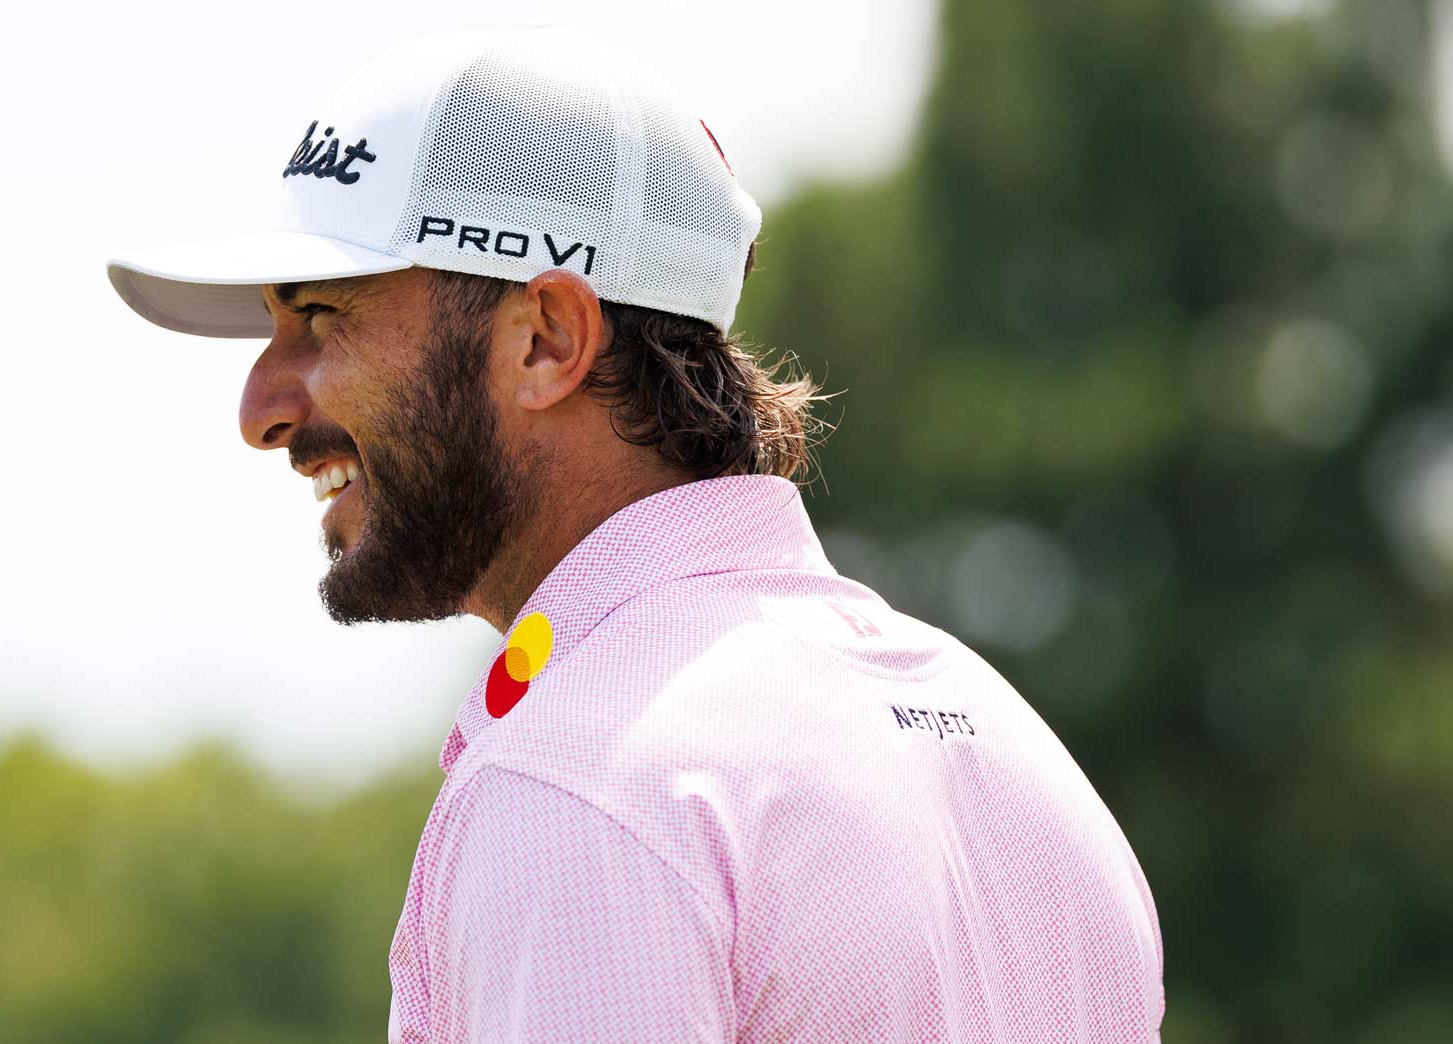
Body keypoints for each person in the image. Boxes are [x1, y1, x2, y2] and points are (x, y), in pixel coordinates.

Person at [107, 24, 1164, 1044]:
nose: (261, 408)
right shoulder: (1011, 749)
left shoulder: (577, 787)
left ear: (547, 340)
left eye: (320, 317)